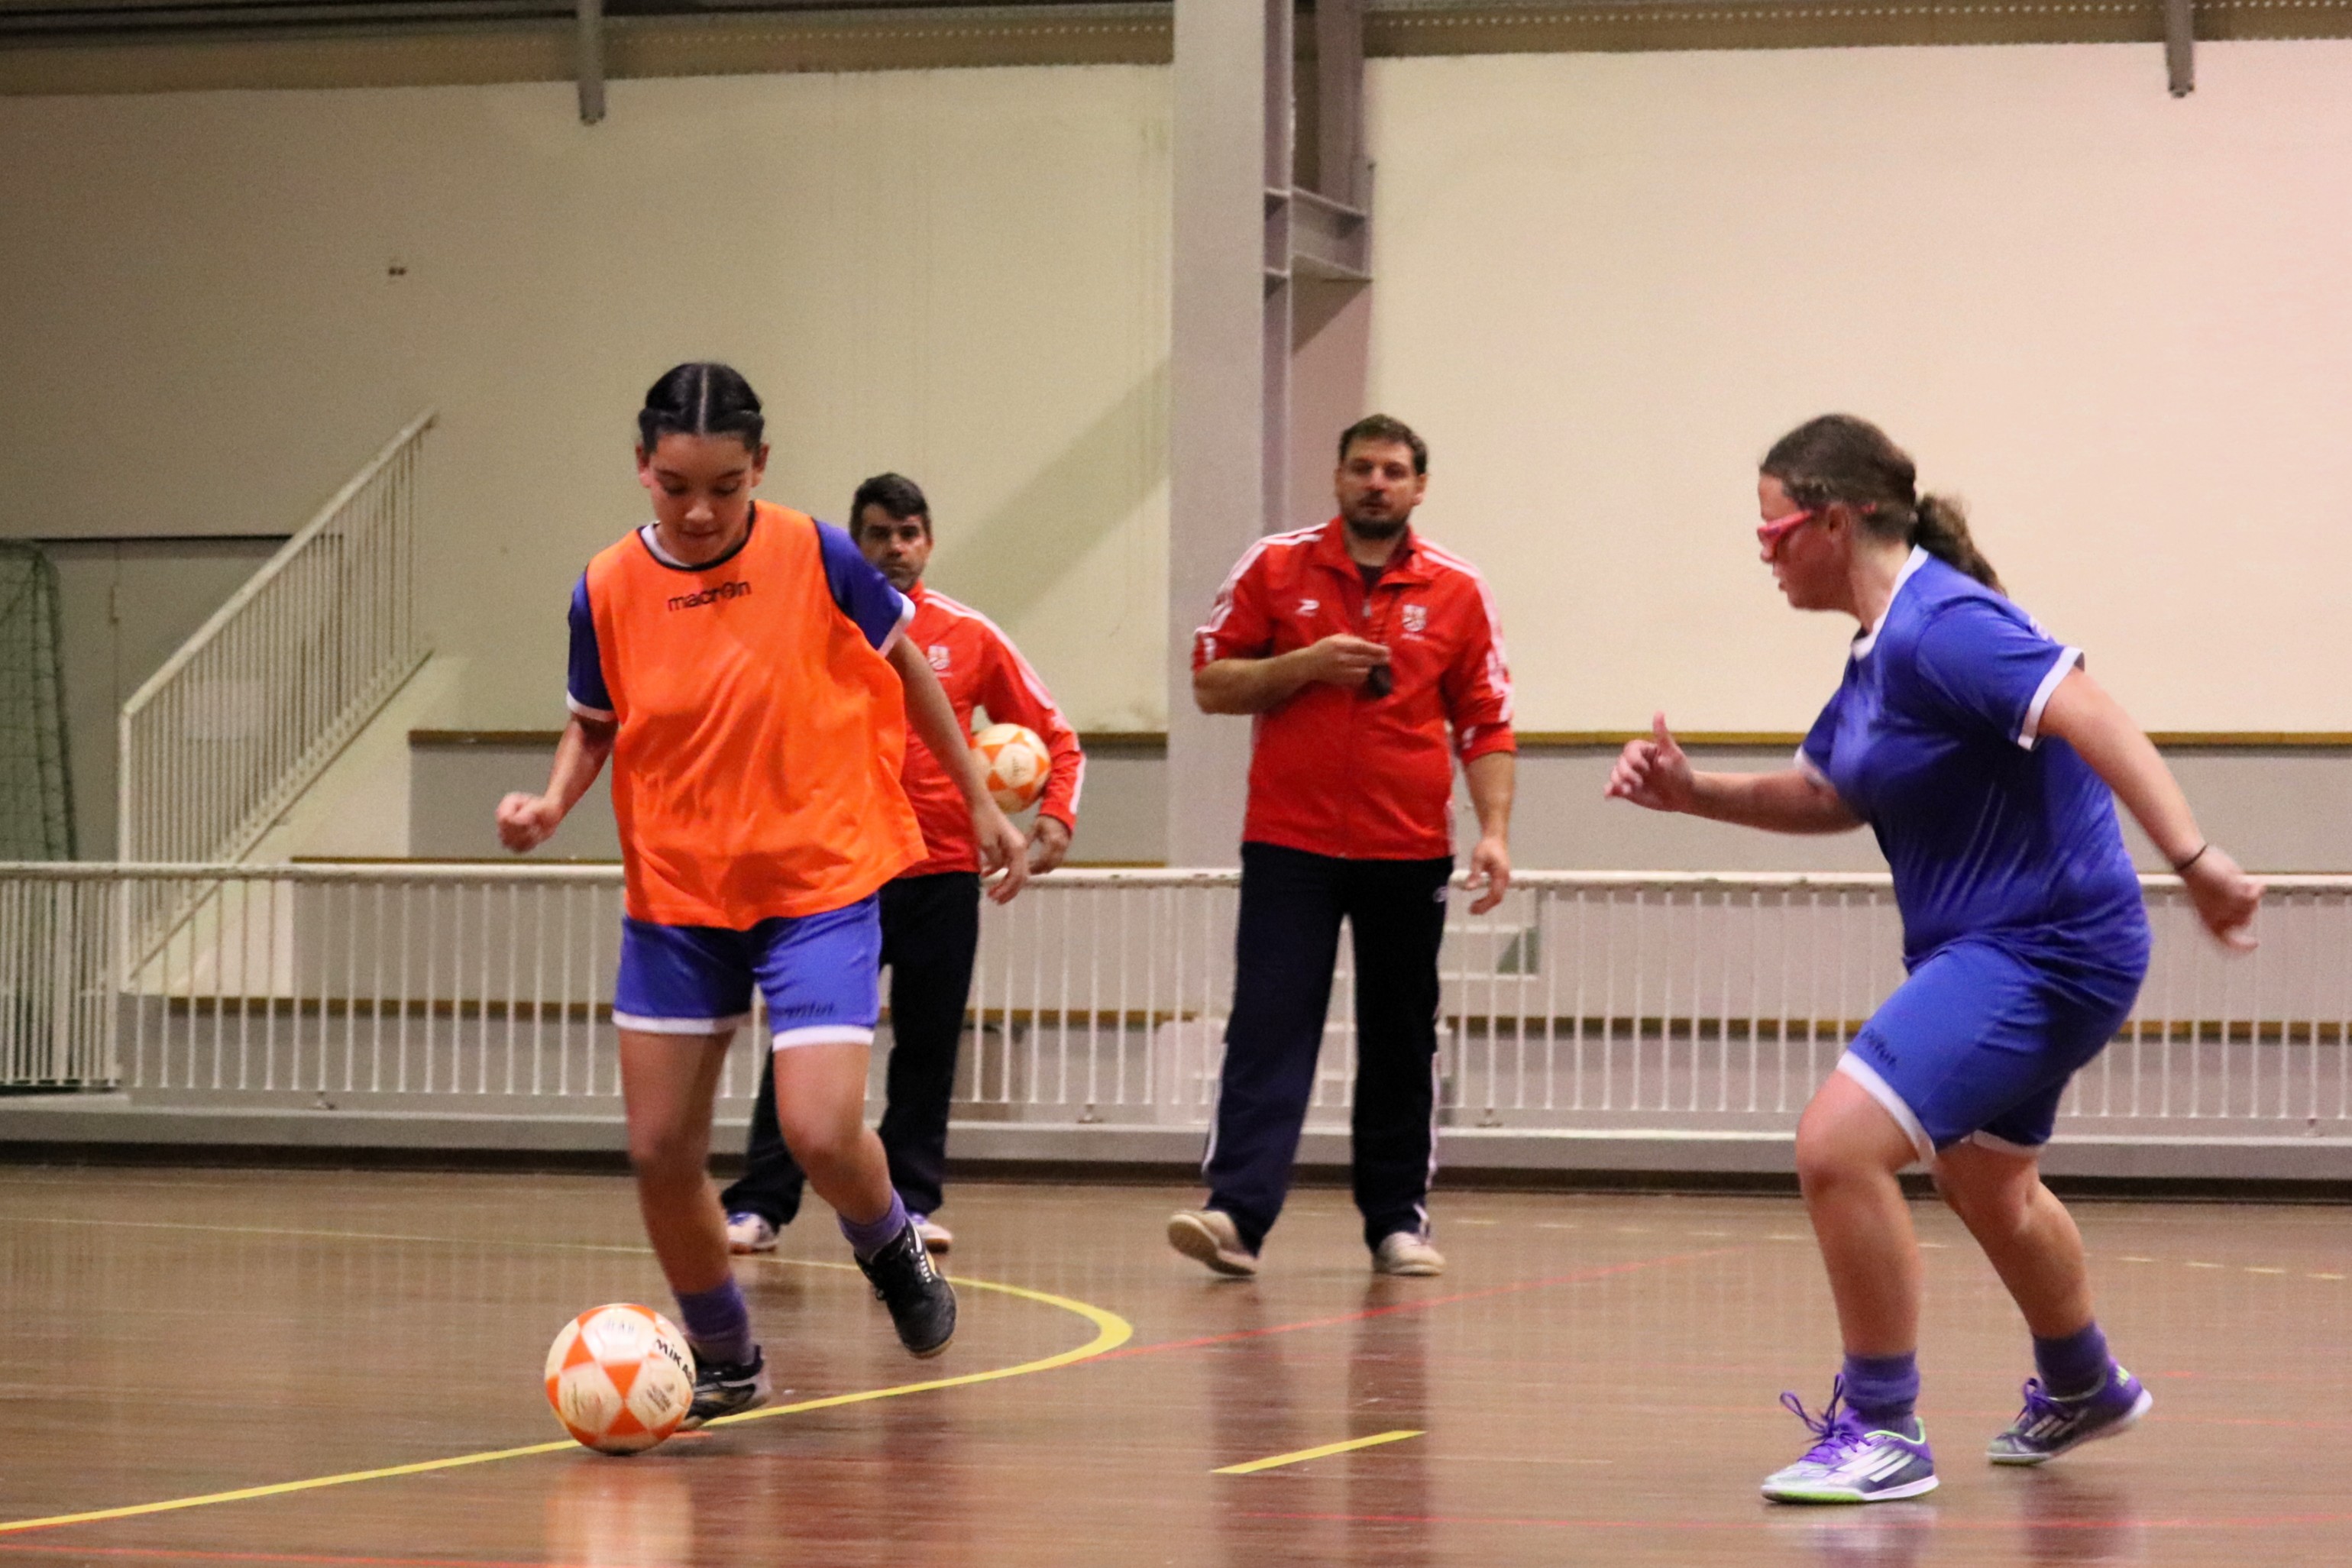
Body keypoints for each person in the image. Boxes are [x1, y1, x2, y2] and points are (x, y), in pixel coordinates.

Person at [1605, 413, 2262, 1503]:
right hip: (2012, 947)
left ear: (1830, 521)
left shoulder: (1942, 625)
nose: (1761, 553)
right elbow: (1827, 791)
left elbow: (2089, 710)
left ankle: (1882, 1426)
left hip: (2044, 945)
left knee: (1836, 1144)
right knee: (1987, 1181)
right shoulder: (1878, 652)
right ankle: (2082, 1381)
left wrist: (2192, 858)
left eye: (1769, 531)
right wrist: (1692, 792)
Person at [495, 364, 1030, 1426]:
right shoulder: (604, 586)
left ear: (761, 468)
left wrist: (977, 801)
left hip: (816, 880)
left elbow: (911, 670)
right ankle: (726, 1356)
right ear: (641, 467)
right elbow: (593, 721)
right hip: (677, 897)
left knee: (821, 1131)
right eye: (675, 486)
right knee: (660, 1154)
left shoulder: (818, 553)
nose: (699, 511)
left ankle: (892, 1246)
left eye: (725, 487)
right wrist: (553, 801)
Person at [1168, 413, 1516, 1279]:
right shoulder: (1273, 566)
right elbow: (1211, 681)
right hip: (1291, 846)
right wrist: (1304, 665)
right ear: (1337, 476)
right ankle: (1235, 1215)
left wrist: (1495, 833)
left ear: (1419, 486)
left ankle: (1397, 1223)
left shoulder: (1458, 588)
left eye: (1393, 471)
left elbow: (1485, 720)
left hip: (1408, 850)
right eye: (1362, 467)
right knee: (1268, 1025)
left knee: (1400, 1037)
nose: (1376, 483)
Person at [720, 472, 1084, 1258]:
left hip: (941, 873)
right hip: (838, 873)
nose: (895, 548)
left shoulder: (970, 635)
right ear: (855, 543)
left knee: (928, 1046)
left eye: (908, 533)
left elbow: (1058, 738)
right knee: (805, 1040)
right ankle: (759, 1204)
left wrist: (1055, 815)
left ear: (929, 541)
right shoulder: (813, 626)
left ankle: (910, 1203)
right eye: (879, 534)